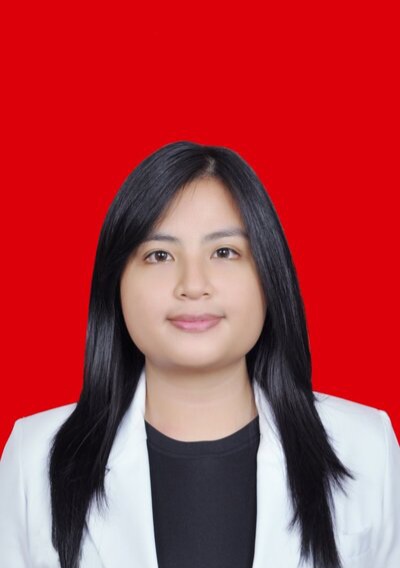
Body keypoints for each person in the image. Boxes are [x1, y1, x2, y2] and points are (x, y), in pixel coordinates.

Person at [0, 141, 399, 568]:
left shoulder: (365, 446)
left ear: (269, 275)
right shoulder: (34, 457)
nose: (192, 285)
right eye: (159, 255)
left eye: (224, 252)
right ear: (115, 284)